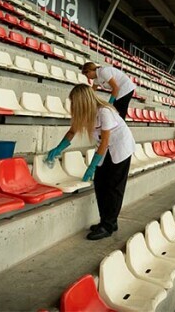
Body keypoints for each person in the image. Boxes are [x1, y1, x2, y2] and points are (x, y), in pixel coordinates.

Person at [45, 84, 135, 240]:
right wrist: (59, 148)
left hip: (120, 147)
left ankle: (108, 225)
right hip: (106, 148)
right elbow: (72, 131)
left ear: (82, 101)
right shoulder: (84, 113)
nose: (72, 105)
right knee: (100, 184)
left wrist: (92, 166)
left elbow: (105, 141)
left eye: (74, 102)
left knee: (114, 187)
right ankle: (107, 221)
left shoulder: (104, 112)